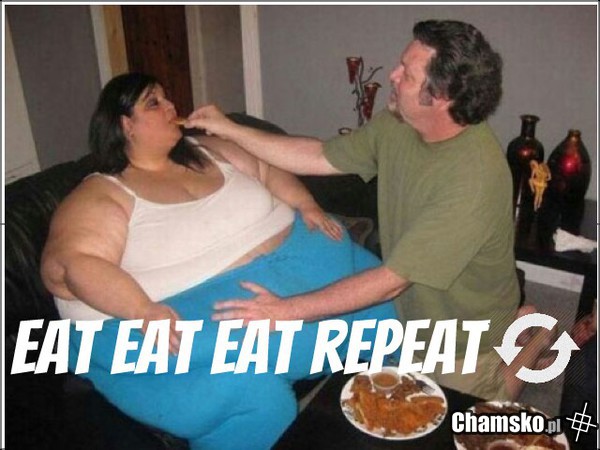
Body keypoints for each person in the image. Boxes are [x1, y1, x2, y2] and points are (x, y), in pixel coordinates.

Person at [184, 20, 553, 402]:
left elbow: (392, 281)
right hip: (415, 309)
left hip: (465, 330)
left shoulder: (473, 178)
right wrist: (231, 130)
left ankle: (536, 337)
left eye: (407, 74)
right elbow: (319, 156)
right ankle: (518, 325)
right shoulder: (399, 123)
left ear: (441, 96)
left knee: (470, 419)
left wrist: (283, 312)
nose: (393, 75)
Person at [41, 73, 398, 450]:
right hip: (205, 316)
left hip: (306, 276)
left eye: (166, 97)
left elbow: (267, 170)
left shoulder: (209, 149)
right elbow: (70, 266)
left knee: (388, 308)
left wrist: (306, 204)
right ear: (125, 125)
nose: (171, 106)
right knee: (257, 398)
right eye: (154, 103)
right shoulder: (102, 193)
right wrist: (141, 309)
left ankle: (390, 416)